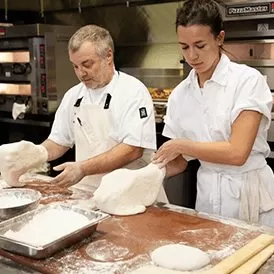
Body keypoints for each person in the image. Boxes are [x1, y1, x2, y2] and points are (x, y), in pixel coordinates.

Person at [0, 25, 168, 202]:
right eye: (75, 66)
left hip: (131, 196)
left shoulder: (133, 91)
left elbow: (133, 149)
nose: (81, 73)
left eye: (87, 64)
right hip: (89, 194)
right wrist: (36, 153)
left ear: (108, 56)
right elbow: (59, 141)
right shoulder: (74, 95)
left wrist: (82, 169)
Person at [153, 0, 274, 226]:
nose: (192, 56)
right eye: (184, 46)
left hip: (249, 192)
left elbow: (237, 153)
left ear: (219, 38)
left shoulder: (246, 81)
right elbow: (179, 162)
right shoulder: (180, 94)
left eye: (200, 45)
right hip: (207, 195)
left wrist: (180, 145)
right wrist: (145, 175)